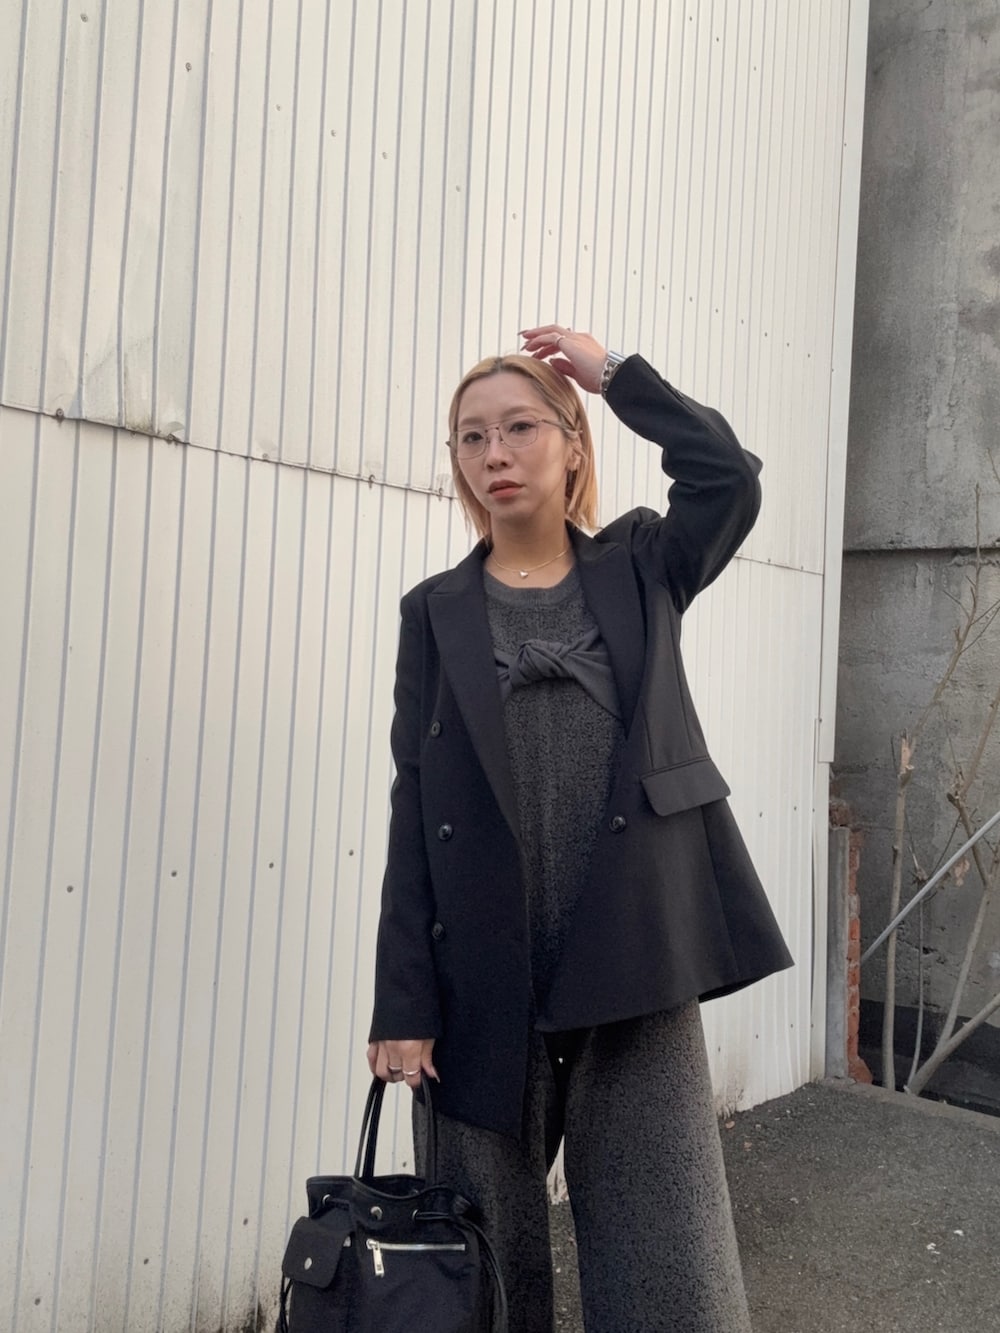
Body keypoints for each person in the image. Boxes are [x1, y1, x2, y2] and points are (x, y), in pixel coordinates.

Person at [367, 325, 792, 1332]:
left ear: (571, 442)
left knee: (666, 1262)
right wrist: (402, 1002)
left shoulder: (642, 565)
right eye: (471, 436)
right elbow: (413, 807)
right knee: (481, 1267)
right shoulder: (433, 613)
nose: (495, 453)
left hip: (633, 954)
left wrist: (615, 376)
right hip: (482, 974)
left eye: (519, 427)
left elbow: (727, 477)